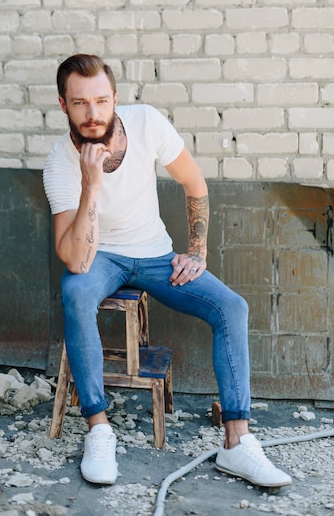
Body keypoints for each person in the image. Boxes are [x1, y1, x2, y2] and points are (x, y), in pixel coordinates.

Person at [43, 53, 292, 488]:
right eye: (80, 103)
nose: (93, 112)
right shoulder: (60, 161)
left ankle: (237, 443)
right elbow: (77, 261)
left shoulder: (146, 123)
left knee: (231, 307)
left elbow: (194, 182)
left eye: (101, 100)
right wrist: (90, 185)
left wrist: (196, 251)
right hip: (101, 256)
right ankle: (99, 429)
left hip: (156, 255)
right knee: (77, 292)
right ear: (63, 104)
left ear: (115, 98)